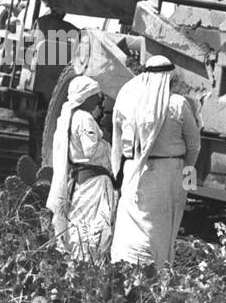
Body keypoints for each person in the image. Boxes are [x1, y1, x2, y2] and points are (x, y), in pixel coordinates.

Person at [109, 54, 200, 268]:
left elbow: (118, 143)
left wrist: (119, 175)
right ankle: (156, 276)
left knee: (130, 228)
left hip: (133, 172)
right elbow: (195, 146)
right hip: (169, 175)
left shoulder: (128, 103)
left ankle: (125, 271)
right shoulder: (178, 104)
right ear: (169, 79)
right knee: (160, 232)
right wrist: (188, 181)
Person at [46, 76, 116, 261]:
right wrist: (108, 144)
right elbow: (90, 149)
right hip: (93, 182)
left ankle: (77, 265)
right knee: (94, 228)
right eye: (95, 96)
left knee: (80, 225)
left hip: (81, 179)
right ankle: (86, 266)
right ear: (87, 97)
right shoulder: (85, 118)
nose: (98, 101)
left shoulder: (71, 116)